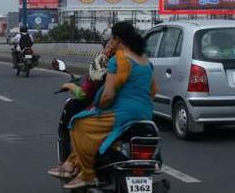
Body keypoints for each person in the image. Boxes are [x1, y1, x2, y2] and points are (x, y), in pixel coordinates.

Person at [52, 21, 157, 189]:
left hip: (122, 113)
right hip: (145, 113)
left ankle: (87, 174)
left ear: (117, 39)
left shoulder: (118, 60)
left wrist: (99, 105)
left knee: (78, 124)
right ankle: (74, 164)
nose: (111, 43)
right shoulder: (145, 60)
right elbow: (153, 91)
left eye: (113, 40)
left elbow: (108, 94)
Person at [48, 28, 114, 177]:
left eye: (111, 44)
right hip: (132, 110)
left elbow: (85, 93)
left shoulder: (103, 62)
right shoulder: (135, 62)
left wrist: (70, 85)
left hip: (107, 110)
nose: (110, 47)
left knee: (76, 125)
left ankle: (71, 166)